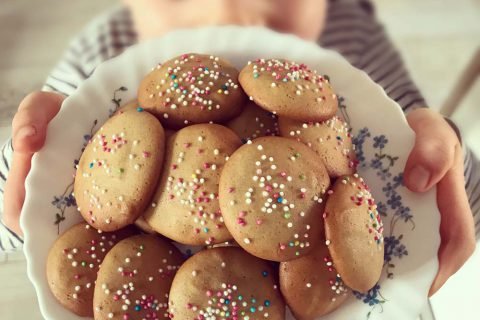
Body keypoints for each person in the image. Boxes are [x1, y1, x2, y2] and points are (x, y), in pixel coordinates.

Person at [0, 0, 477, 297]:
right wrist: (23, 184)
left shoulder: (355, 40)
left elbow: (456, 183)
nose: (235, 13)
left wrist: (443, 145)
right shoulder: (97, 54)